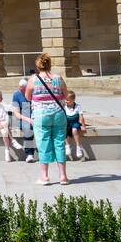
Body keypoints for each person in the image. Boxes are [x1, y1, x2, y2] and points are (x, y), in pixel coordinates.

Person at [22, 53, 69, 185]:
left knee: (43, 144)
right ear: (50, 64)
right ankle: (63, 176)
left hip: (41, 115)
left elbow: (27, 97)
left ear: (38, 65)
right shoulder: (58, 78)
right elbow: (65, 95)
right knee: (60, 143)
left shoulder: (33, 79)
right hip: (59, 114)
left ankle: (44, 176)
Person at [12, 70, 36, 163]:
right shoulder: (16, 95)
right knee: (28, 128)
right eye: (20, 88)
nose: (21, 90)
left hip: (36, 115)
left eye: (23, 89)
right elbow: (16, 113)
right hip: (23, 118)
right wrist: (28, 119)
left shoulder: (34, 93)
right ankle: (29, 154)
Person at [65, 91, 89, 161]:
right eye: (65, 100)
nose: (66, 101)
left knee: (74, 130)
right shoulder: (64, 106)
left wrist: (83, 126)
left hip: (75, 122)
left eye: (68, 100)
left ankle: (78, 147)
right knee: (64, 130)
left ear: (73, 100)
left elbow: (81, 117)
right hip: (67, 122)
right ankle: (67, 145)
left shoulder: (78, 106)